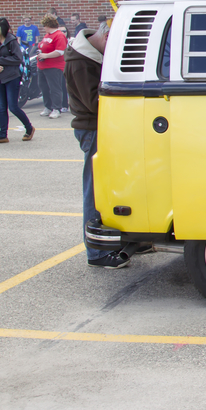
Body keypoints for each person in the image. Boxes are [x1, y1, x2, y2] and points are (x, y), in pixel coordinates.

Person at [65, 21, 129, 268]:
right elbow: (94, 102)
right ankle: (96, 253)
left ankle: (111, 243)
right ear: (105, 36)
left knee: (106, 188)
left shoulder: (89, 54)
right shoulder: (80, 61)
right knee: (93, 191)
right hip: (92, 128)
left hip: (98, 127)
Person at [0, 18, 35, 144]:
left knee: (13, 107)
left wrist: (1, 61)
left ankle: (29, 128)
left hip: (12, 77)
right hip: (1, 78)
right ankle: (2, 135)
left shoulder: (11, 41)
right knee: (1, 108)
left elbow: (17, 58)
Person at [36, 14, 67, 118]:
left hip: (54, 67)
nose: (43, 28)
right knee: (44, 87)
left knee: (55, 88)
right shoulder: (47, 35)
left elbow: (60, 51)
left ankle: (56, 108)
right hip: (42, 66)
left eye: (44, 26)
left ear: (48, 25)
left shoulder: (59, 35)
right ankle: (48, 107)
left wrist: (46, 55)